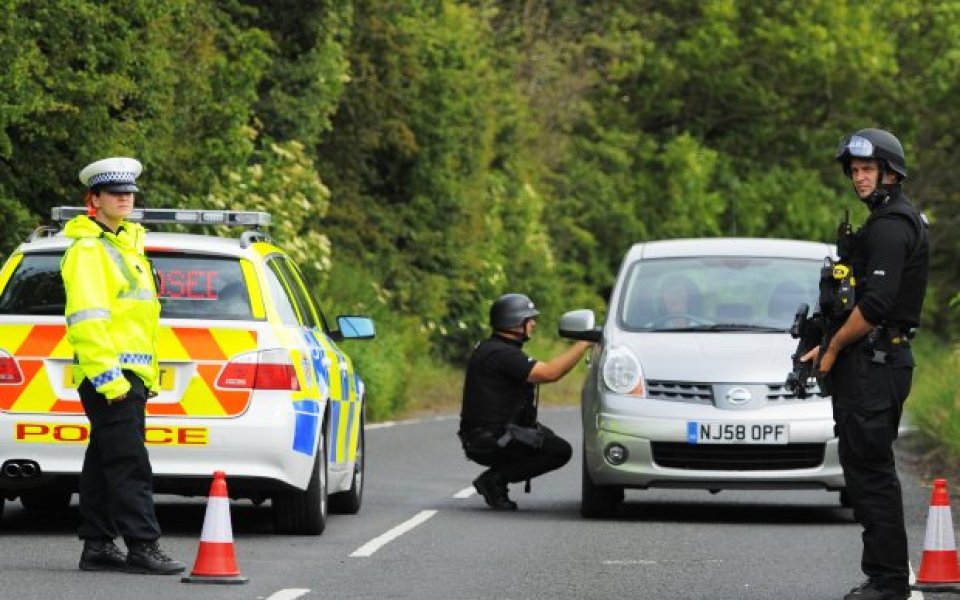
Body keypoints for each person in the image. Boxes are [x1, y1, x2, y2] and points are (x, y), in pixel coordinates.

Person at [803, 129, 929, 600]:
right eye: (854, 171)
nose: (858, 178)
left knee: (871, 473)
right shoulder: (887, 221)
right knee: (863, 469)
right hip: (873, 358)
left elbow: (875, 305)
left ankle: (888, 581)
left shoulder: (892, 226)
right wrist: (827, 343)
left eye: (867, 169)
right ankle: (885, 576)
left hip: (875, 364)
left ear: (890, 173)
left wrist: (833, 350)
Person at [62, 157, 185, 575]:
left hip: (127, 375)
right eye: (114, 193)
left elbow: (136, 320)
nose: (124, 198)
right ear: (92, 200)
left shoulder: (128, 246)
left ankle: (97, 544)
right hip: (109, 377)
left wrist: (140, 376)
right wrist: (109, 379)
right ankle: (142, 545)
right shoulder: (88, 251)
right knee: (130, 463)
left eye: (129, 192)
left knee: (103, 460)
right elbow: (86, 320)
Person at [458, 293, 593, 510]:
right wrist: (582, 344)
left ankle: (496, 478)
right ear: (514, 322)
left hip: (482, 434)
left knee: (545, 438)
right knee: (558, 451)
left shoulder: (491, 347)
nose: (533, 324)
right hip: (491, 440)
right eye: (529, 319)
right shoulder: (502, 354)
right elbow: (550, 373)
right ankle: (495, 480)